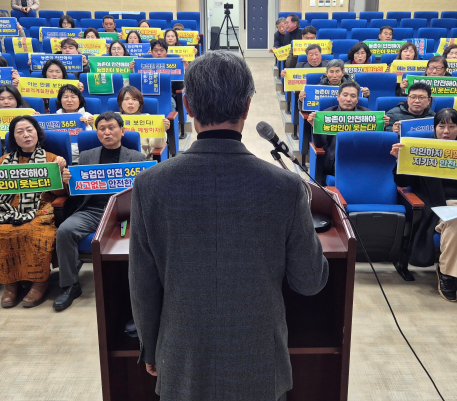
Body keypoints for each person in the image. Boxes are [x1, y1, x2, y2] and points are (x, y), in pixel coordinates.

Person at [129, 51, 328, 400]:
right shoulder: (286, 187)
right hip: (259, 361)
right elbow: (309, 282)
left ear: (188, 107)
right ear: (247, 107)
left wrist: (150, 348)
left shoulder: (150, 185)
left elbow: (143, 284)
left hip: (181, 357)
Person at [390, 109, 457, 301]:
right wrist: (400, 160)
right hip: (436, 206)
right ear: (435, 128)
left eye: (452, 126)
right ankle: (447, 274)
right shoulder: (423, 149)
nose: (446, 131)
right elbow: (402, 182)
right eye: (442, 126)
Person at [54, 111, 146, 311]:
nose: (107, 132)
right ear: (97, 133)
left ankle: (132, 287)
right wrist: (67, 181)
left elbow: (143, 191)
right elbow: (75, 192)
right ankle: (70, 285)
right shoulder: (86, 157)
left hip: (122, 214)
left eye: (111, 128)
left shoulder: (137, 157)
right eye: (101, 129)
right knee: (64, 231)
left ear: (122, 131)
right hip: (92, 210)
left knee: (127, 240)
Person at [0, 115, 67, 308]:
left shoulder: (52, 159)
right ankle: (11, 284)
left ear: (38, 133)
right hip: (6, 210)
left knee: (32, 232)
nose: (26, 135)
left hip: (40, 209)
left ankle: (39, 281)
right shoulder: (3, 161)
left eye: (29, 130)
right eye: (20, 132)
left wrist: (60, 175)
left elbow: (60, 193)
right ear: (13, 137)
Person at [307, 80, 387, 177]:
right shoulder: (327, 114)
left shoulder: (368, 114)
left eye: (353, 96)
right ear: (338, 97)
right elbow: (320, 144)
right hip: (336, 160)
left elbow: (375, 142)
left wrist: (383, 127)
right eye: (345, 95)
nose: (348, 99)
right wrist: (315, 126)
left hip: (362, 158)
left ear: (357, 100)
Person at [117, 85, 170, 159]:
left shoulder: (147, 119)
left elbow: (156, 145)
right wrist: (94, 125)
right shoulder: (113, 118)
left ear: (139, 103)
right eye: (126, 99)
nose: (130, 102)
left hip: (141, 159)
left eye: (134, 99)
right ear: (120, 102)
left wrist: (161, 130)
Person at [298, 59, 371, 105]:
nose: (334, 75)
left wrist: (365, 96)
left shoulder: (352, 88)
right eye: (331, 72)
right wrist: (301, 100)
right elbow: (305, 109)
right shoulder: (318, 88)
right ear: (327, 73)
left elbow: (360, 106)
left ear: (343, 73)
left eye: (337, 72)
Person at [55, 84, 93, 163]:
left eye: (73, 96)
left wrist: (90, 126)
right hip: (59, 159)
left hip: (83, 159)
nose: (69, 100)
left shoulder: (88, 117)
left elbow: (93, 142)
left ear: (79, 100)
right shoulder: (53, 119)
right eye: (65, 97)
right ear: (60, 100)